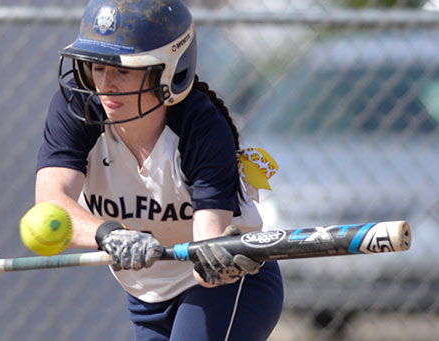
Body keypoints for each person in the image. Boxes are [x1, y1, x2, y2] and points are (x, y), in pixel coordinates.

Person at [35, 0, 284, 339]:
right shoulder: (78, 109)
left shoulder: (201, 126)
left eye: (123, 69)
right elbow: (51, 204)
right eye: (96, 67)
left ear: (167, 71)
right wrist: (110, 234)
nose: (105, 84)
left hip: (225, 287)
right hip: (146, 297)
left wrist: (217, 265)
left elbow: (208, 246)